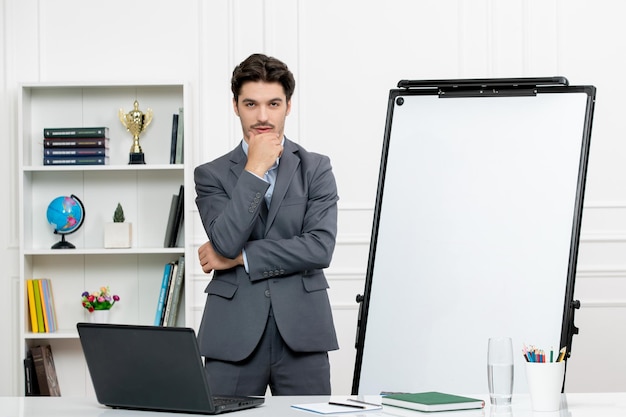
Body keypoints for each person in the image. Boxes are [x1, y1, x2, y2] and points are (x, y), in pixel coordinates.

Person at [194, 53, 339, 396]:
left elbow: (319, 248)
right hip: (232, 334)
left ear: (288, 106)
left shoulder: (316, 169)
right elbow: (225, 241)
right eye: (251, 104)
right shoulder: (210, 174)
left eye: (273, 103)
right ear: (235, 106)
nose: (262, 116)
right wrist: (255, 169)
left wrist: (242, 258)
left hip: (302, 332)